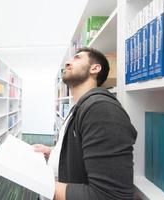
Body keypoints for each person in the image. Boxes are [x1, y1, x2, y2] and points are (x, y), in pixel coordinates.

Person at [34, 47, 137, 200]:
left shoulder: (101, 110)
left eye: (77, 58)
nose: (67, 63)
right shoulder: (79, 107)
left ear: (95, 68)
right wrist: (53, 152)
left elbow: (109, 196)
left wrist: (38, 181)